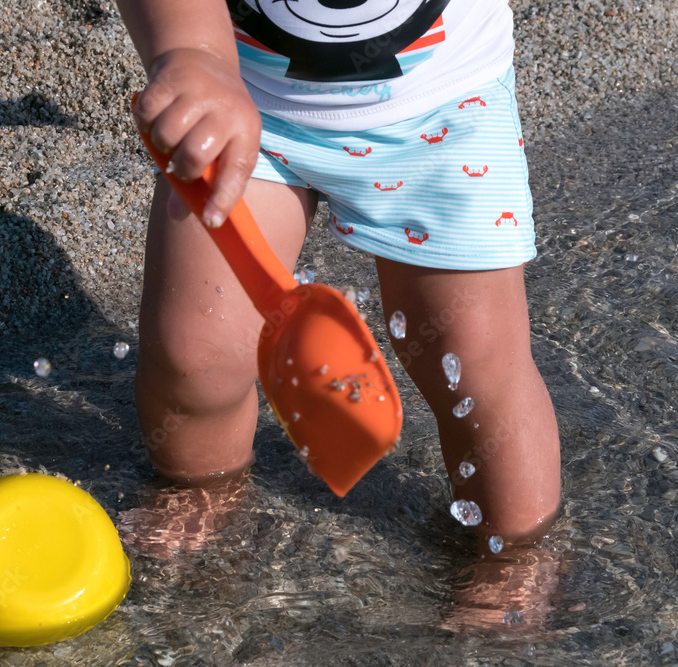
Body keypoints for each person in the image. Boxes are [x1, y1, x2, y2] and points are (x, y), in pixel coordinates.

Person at [116, 0, 560, 547]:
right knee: (195, 350)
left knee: (472, 360)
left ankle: (514, 555)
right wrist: (192, 52)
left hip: (443, 109)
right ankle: (203, 492)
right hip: (242, 101)